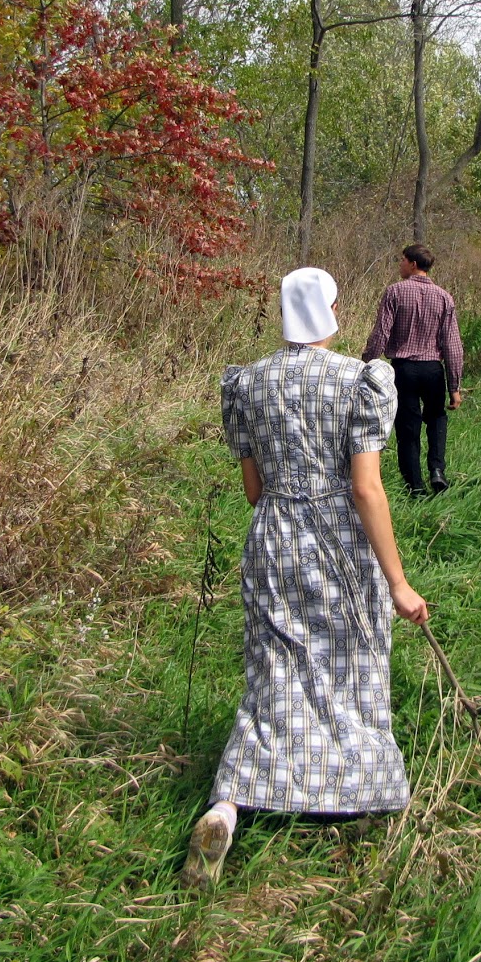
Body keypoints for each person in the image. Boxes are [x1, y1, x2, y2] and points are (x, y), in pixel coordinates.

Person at [180, 266, 431, 893]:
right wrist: (398, 582)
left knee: (273, 672)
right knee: (351, 665)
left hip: (274, 540)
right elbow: (367, 488)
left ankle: (228, 805)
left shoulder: (247, 384)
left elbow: (253, 490)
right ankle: (357, 794)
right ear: (330, 311)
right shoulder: (359, 381)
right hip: (339, 543)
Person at [361, 244, 464, 496]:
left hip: (404, 370)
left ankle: (415, 486)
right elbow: (452, 344)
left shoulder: (394, 292)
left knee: (408, 426)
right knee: (436, 418)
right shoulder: (444, 297)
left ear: (413, 264)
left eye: (402, 260)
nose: (400, 264)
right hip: (433, 370)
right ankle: (437, 470)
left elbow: (381, 333)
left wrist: (367, 364)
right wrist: (454, 386)